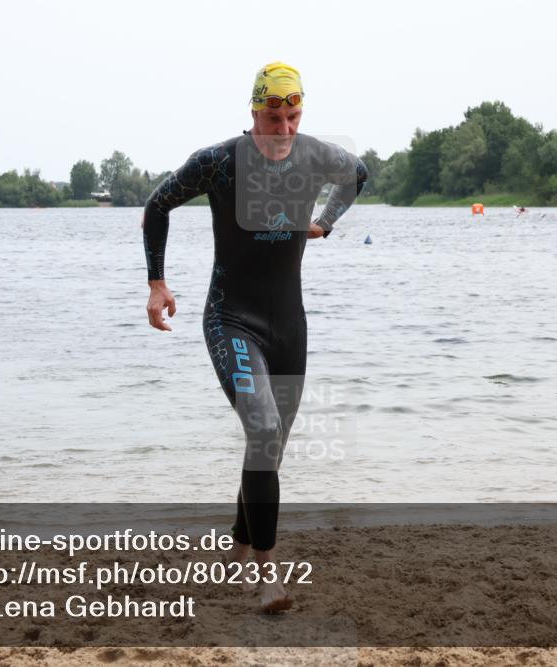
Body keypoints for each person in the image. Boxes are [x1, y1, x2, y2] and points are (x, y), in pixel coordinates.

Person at [141, 62, 367, 613]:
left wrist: (327, 221)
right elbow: (156, 206)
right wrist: (157, 283)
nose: (284, 129)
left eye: (293, 116)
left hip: (289, 325)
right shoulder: (218, 162)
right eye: (273, 117)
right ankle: (267, 576)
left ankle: (239, 543)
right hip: (230, 319)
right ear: (253, 111)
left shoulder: (314, 154)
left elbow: (357, 172)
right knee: (263, 429)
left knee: (269, 448)